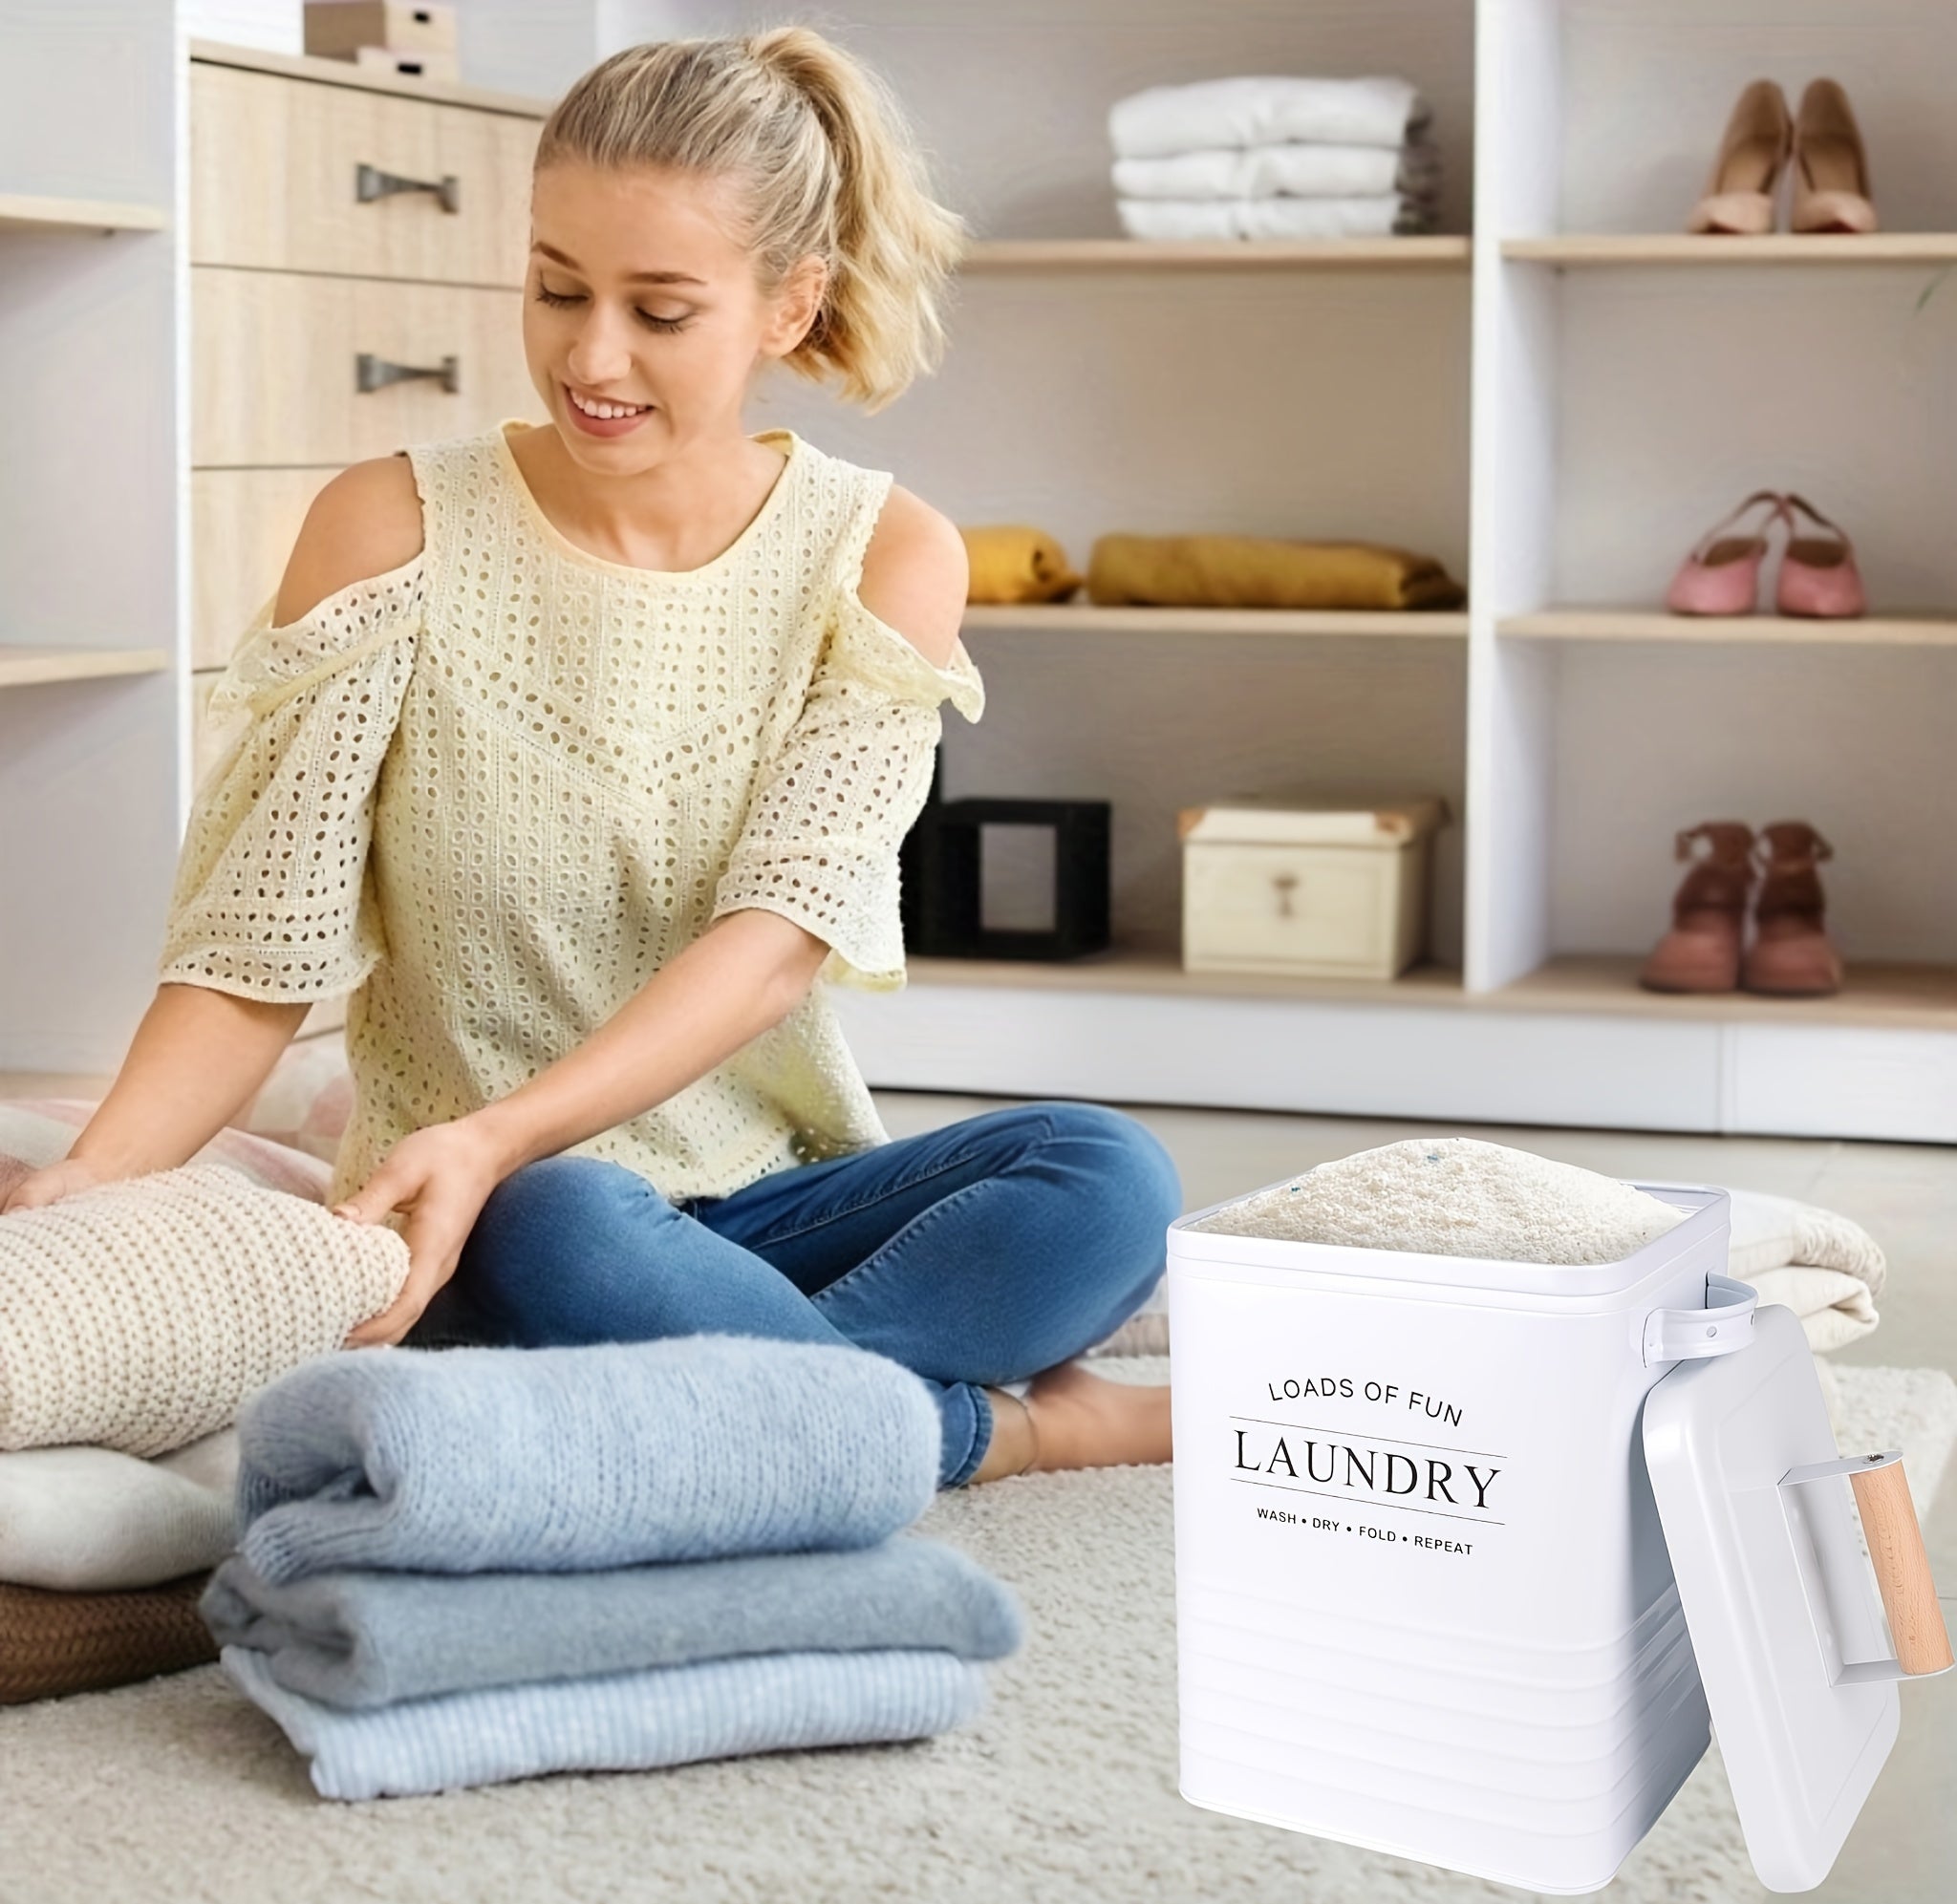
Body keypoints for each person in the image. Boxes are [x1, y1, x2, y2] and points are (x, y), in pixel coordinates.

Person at [1, 29, 1179, 1491]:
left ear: (785, 305)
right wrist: (85, 1183)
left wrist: (506, 1134)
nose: (591, 355)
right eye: (557, 288)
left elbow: (771, 953)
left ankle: (744, 1396)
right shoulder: (393, 529)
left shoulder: (884, 555)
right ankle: (999, 1430)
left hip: (763, 1204)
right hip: (484, 1220)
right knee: (566, 1220)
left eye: (659, 310)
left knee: (1106, 1174)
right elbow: (259, 948)